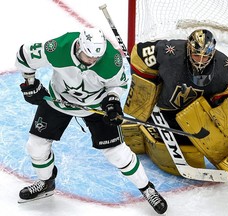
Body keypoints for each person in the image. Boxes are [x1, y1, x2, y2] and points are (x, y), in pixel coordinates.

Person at [15, 27, 167, 214]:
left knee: (117, 153)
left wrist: (112, 100)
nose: (93, 61)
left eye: (97, 58)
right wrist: (29, 84)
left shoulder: (111, 59)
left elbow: (118, 84)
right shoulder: (58, 48)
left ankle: (147, 188)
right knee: (36, 146)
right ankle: (46, 182)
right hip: (59, 100)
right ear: (79, 46)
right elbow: (24, 55)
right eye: (89, 57)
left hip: (95, 106)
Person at [124, 29, 228, 179]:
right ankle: (149, 124)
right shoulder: (170, 53)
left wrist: (225, 106)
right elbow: (139, 52)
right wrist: (149, 84)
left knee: (199, 139)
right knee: (186, 148)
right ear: (188, 49)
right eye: (196, 55)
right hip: (165, 108)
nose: (200, 60)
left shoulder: (223, 67)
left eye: (205, 56)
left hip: (194, 115)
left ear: (212, 54)